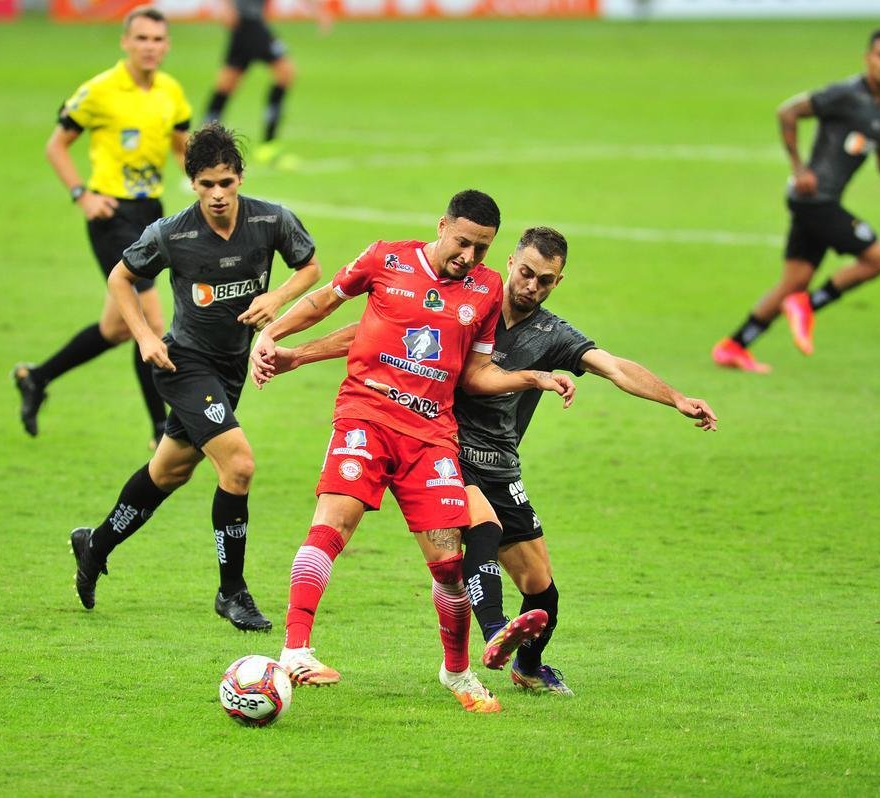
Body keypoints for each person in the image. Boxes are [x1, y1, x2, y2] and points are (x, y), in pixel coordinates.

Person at [262, 226, 719, 697]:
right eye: (526, 273)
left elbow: (616, 366)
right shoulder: (470, 299)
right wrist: (300, 355)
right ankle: (491, 632)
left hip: (500, 462)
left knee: (541, 588)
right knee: (482, 526)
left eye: (545, 280)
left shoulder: (553, 335)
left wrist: (676, 398)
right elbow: (379, 334)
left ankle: (528, 665)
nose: (532, 286)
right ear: (510, 263)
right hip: (445, 447)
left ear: (558, 282)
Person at [250, 190, 577, 713]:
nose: (469, 256)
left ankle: (457, 672)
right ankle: (295, 650)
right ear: (442, 225)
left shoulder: (487, 289)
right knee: (333, 525)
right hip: (367, 414)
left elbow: (475, 372)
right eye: (462, 242)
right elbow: (327, 300)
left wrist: (531, 377)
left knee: (449, 564)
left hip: (432, 436)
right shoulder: (387, 258)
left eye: (482, 248)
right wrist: (274, 333)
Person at [68, 123, 321, 633]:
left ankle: (94, 545)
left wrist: (276, 297)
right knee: (239, 466)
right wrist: (144, 336)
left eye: (226, 182)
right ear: (192, 183)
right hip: (183, 365)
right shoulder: (173, 233)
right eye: (206, 184)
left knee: (169, 472)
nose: (218, 194)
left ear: (240, 177)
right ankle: (232, 592)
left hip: (230, 369)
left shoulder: (271, 219)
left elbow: (310, 268)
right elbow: (121, 277)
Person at [14, 6, 193, 447]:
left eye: (157, 40)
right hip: (111, 216)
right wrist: (83, 195)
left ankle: (37, 377)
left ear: (167, 45)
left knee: (116, 329)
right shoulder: (99, 91)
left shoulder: (170, 91)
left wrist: (201, 183)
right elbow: (56, 146)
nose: (150, 47)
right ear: (125, 42)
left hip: (151, 214)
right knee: (150, 321)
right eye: (142, 38)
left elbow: (180, 146)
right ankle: (161, 431)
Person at [712, 28, 880, 372]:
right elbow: (787, 112)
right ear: (867, 58)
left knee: (793, 282)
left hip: (818, 203)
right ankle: (808, 305)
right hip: (813, 199)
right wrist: (799, 168)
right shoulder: (845, 94)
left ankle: (733, 346)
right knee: (878, 259)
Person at [201, 0, 327, 167]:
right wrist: (226, 7)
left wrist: (317, 10)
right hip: (248, 24)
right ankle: (267, 146)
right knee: (284, 73)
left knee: (226, 85)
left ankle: (203, 142)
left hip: (248, 26)